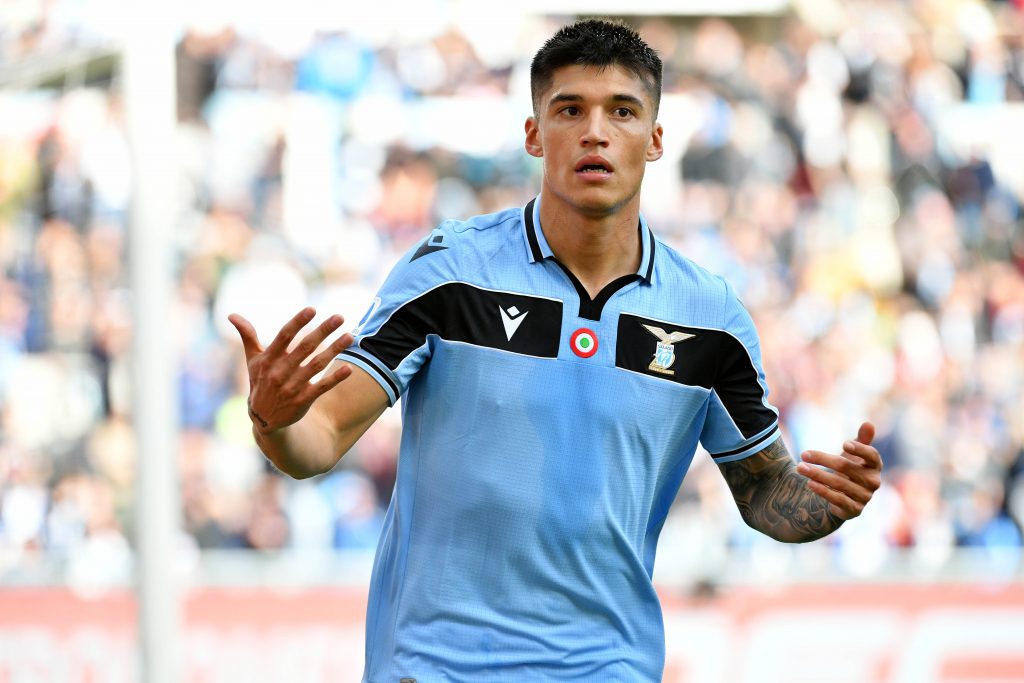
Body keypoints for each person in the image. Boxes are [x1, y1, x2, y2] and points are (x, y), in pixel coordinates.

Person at [228, 19, 883, 682]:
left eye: (622, 112)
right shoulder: (452, 272)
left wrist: (825, 506)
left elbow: (766, 490)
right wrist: (274, 420)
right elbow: (319, 439)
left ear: (655, 140)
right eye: (570, 109)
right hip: (436, 667)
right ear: (535, 134)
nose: (595, 131)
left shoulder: (710, 317)